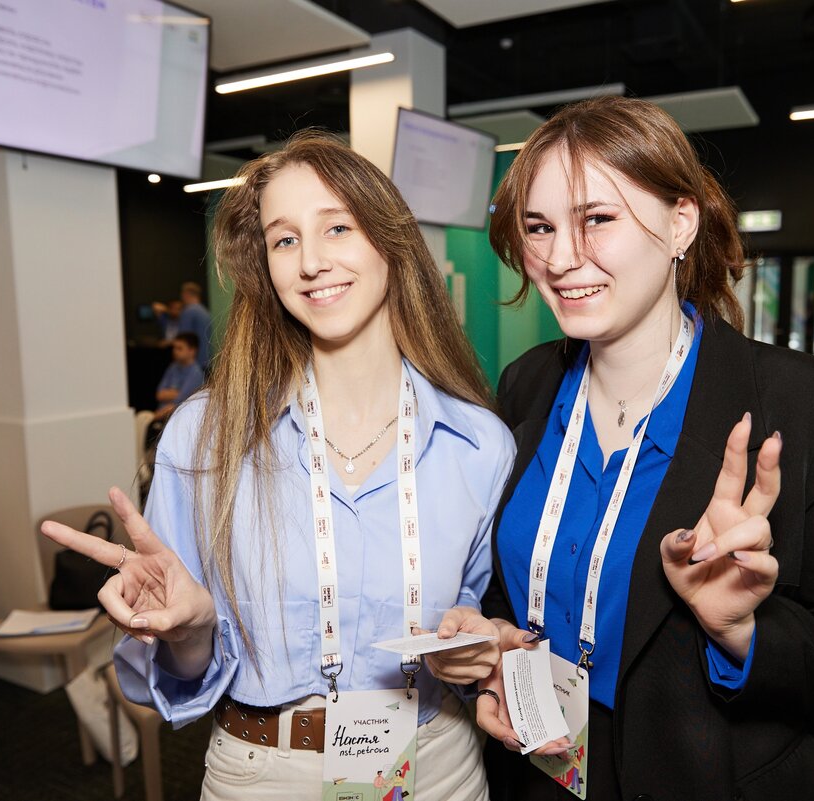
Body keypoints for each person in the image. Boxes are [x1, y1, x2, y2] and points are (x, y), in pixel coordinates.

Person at [433, 97, 814, 801]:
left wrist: (744, 631)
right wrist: (496, 644)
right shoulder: (527, 384)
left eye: (597, 218)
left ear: (680, 223)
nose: (561, 259)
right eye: (540, 227)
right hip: (536, 771)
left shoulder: (804, 405)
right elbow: (516, 579)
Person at [42, 131, 514, 801]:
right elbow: (173, 672)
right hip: (263, 774)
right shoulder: (206, 438)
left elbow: (472, 612)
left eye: (337, 227)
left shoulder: (479, 443)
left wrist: (474, 644)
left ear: (390, 240)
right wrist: (189, 632)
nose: (312, 261)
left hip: (438, 768)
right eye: (285, 239)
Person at [153, 332, 204, 423]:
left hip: (180, 418)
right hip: (162, 415)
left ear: (192, 351)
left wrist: (170, 394)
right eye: (174, 348)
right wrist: (175, 393)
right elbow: (159, 394)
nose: (175, 351)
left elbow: (180, 400)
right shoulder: (172, 368)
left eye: (179, 348)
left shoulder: (196, 373)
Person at [176, 281, 212, 369]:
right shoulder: (205, 312)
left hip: (193, 363)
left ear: (186, 294)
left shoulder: (188, 312)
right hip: (207, 361)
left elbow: (183, 339)